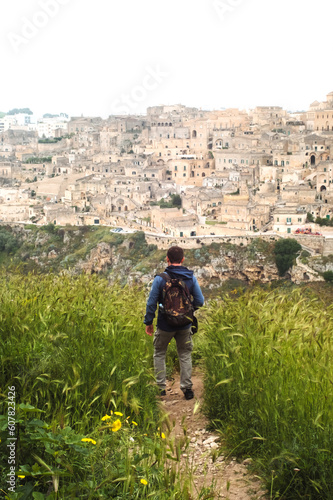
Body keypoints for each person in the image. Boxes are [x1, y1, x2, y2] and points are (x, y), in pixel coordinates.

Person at [144, 246, 204, 400]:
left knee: (159, 353)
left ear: (167, 259)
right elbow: (200, 301)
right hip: (185, 324)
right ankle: (187, 389)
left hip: (165, 324)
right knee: (184, 354)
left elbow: (151, 303)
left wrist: (148, 322)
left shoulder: (160, 279)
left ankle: (160, 387)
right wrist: (188, 311)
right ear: (182, 259)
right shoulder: (190, 278)